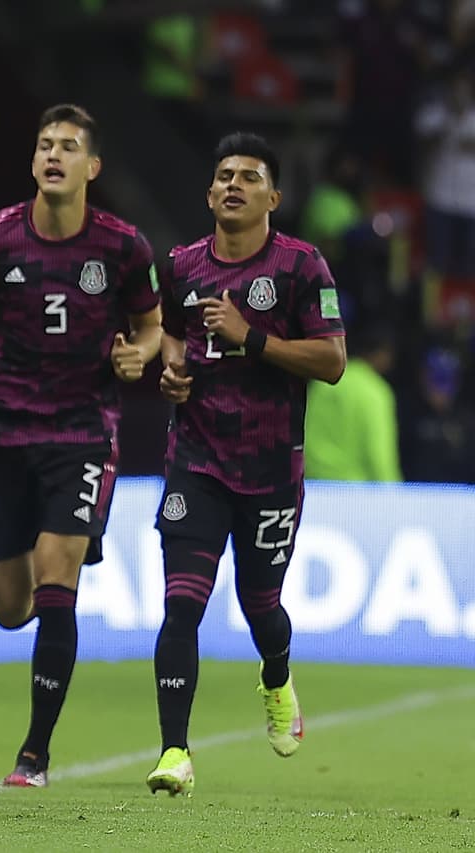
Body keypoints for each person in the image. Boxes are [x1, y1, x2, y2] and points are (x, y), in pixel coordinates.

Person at [0, 104, 162, 789]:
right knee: (11, 606)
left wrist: (137, 357)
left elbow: (151, 328)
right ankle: (46, 618)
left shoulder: (124, 247)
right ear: (34, 162)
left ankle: (33, 753)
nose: (54, 155)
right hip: (4, 431)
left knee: (57, 569)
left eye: (68, 146)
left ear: (91, 166)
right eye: (44, 145)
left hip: (84, 433)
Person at [147, 132, 346, 796]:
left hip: (269, 470)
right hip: (195, 461)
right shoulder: (179, 265)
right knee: (182, 606)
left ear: (273, 197)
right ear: (210, 193)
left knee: (262, 606)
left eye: (249, 176)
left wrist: (249, 336)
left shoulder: (301, 266)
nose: (233, 184)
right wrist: (173, 371)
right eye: (224, 175)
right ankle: (175, 749)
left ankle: (277, 674)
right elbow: (173, 338)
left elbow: (332, 361)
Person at [304, 325, 401, 482]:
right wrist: (392, 495)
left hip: (314, 487)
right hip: (354, 494)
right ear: (383, 355)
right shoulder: (375, 392)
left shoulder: (322, 383)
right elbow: (379, 454)